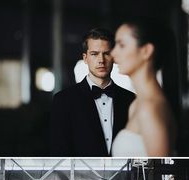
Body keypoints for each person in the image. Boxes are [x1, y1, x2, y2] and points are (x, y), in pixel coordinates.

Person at [50, 27, 134, 156]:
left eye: (106, 53)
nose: (101, 60)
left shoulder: (131, 99)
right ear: (85, 58)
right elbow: (59, 152)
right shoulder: (63, 100)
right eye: (94, 54)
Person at [111, 19, 177, 157]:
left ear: (146, 51)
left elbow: (159, 172)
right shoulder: (137, 105)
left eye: (121, 45)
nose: (113, 53)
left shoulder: (149, 107)